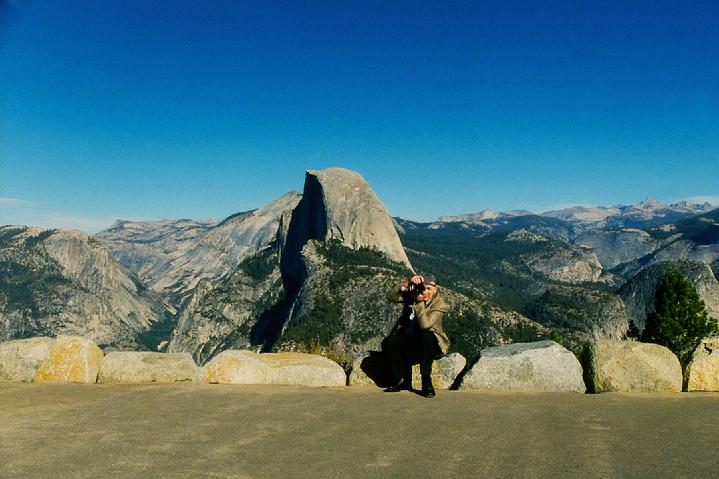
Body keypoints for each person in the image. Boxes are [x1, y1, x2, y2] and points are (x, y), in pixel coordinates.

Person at [381, 272, 450, 398]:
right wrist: (406, 284)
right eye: (423, 288)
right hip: (412, 341)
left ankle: (426, 381)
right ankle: (401, 380)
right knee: (389, 342)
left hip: (432, 345)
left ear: (436, 289)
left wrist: (418, 302)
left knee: (425, 335)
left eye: (429, 288)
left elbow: (425, 325)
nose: (425, 292)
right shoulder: (411, 295)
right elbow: (391, 296)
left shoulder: (440, 305)